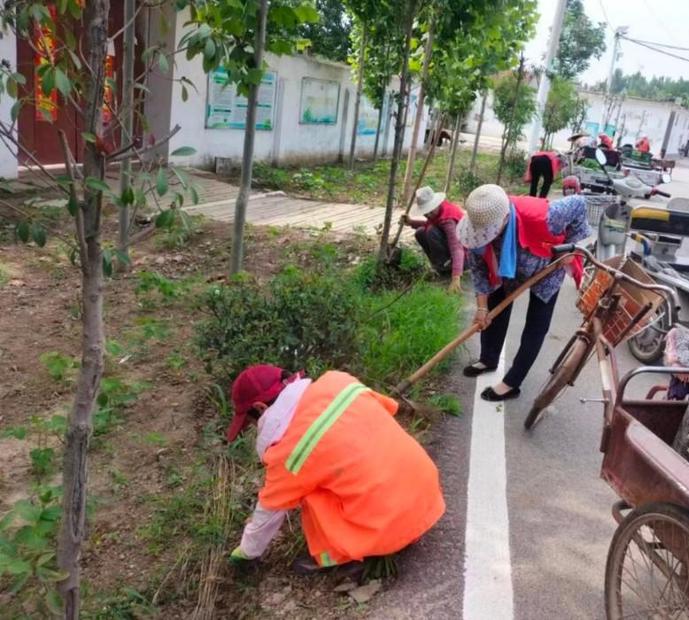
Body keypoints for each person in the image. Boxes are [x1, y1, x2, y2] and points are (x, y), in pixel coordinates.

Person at [227, 365, 445, 572]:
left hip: (390, 527)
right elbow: (390, 408)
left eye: (251, 422)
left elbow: (269, 512)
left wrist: (246, 552)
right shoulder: (339, 381)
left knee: (307, 493)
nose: (254, 428)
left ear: (260, 408)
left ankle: (341, 554)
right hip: (427, 496)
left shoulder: (288, 453)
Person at [458, 185, 591, 402]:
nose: (485, 237)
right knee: (494, 309)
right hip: (507, 269)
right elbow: (479, 272)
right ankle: (488, 359)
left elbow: (579, 203)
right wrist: (481, 308)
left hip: (548, 267)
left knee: (535, 325)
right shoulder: (477, 228)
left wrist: (570, 248)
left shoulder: (546, 216)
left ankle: (512, 382)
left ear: (505, 219)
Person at [402, 186, 465, 292]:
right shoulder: (437, 212)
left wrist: (456, 277)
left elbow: (456, 247)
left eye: (430, 211)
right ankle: (440, 266)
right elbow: (429, 224)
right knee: (421, 232)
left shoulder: (448, 220)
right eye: (425, 212)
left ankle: (446, 268)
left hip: (465, 257)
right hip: (451, 249)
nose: (428, 215)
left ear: (436, 204)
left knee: (431, 231)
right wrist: (411, 222)